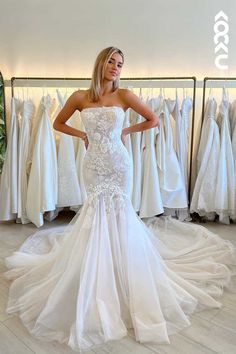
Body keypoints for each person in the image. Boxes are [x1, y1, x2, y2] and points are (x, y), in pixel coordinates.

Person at [4, 46, 236, 353]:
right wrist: (82, 136)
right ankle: (95, 268)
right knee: (93, 213)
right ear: (100, 63)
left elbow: (153, 119)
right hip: (93, 166)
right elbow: (57, 123)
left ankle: (122, 268)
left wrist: (126, 129)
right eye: (111, 61)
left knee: (119, 213)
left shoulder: (124, 95)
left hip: (118, 164)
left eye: (120, 64)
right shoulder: (79, 97)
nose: (116, 67)